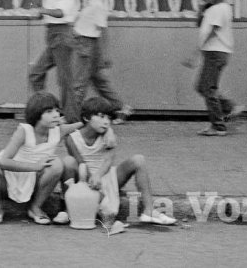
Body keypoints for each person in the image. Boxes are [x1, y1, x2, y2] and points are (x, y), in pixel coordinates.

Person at [59, 97, 177, 231]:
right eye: (101, 117)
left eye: (108, 118)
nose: (106, 122)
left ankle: (149, 211)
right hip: (84, 179)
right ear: (86, 118)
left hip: (106, 176)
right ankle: (68, 209)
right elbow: (80, 163)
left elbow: (108, 161)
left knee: (138, 160)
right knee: (68, 162)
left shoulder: (108, 136)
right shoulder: (72, 139)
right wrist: (93, 179)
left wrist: (99, 175)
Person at [0, 92, 81, 226]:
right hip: (8, 181)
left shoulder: (58, 131)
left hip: (33, 183)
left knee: (57, 164)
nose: (56, 115)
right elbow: (3, 161)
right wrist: (35, 167)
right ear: (37, 114)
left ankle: (35, 207)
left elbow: (85, 124)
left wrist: (107, 131)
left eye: (57, 110)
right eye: (49, 111)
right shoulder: (24, 131)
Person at [27, 0, 84, 121]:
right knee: (36, 74)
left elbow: (61, 12)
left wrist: (42, 10)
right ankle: (47, 110)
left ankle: (71, 118)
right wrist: (42, 13)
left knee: (65, 80)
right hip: (54, 36)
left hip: (61, 36)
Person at [74, 0, 134, 123]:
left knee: (79, 83)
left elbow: (103, 30)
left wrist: (105, 55)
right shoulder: (92, 4)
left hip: (87, 46)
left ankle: (72, 116)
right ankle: (122, 107)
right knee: (99, 81)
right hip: (85, 45)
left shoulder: (98, 6)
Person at [181, 0, 236, 136]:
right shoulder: (214, 8)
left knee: (208, 88)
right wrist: (202, 7)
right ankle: (226, 108)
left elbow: (212, 32)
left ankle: (218, 126)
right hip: (214, 52)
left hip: (215, 52)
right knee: (203, 87)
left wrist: (195, 53)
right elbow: (200, 24)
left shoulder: (220, 9)